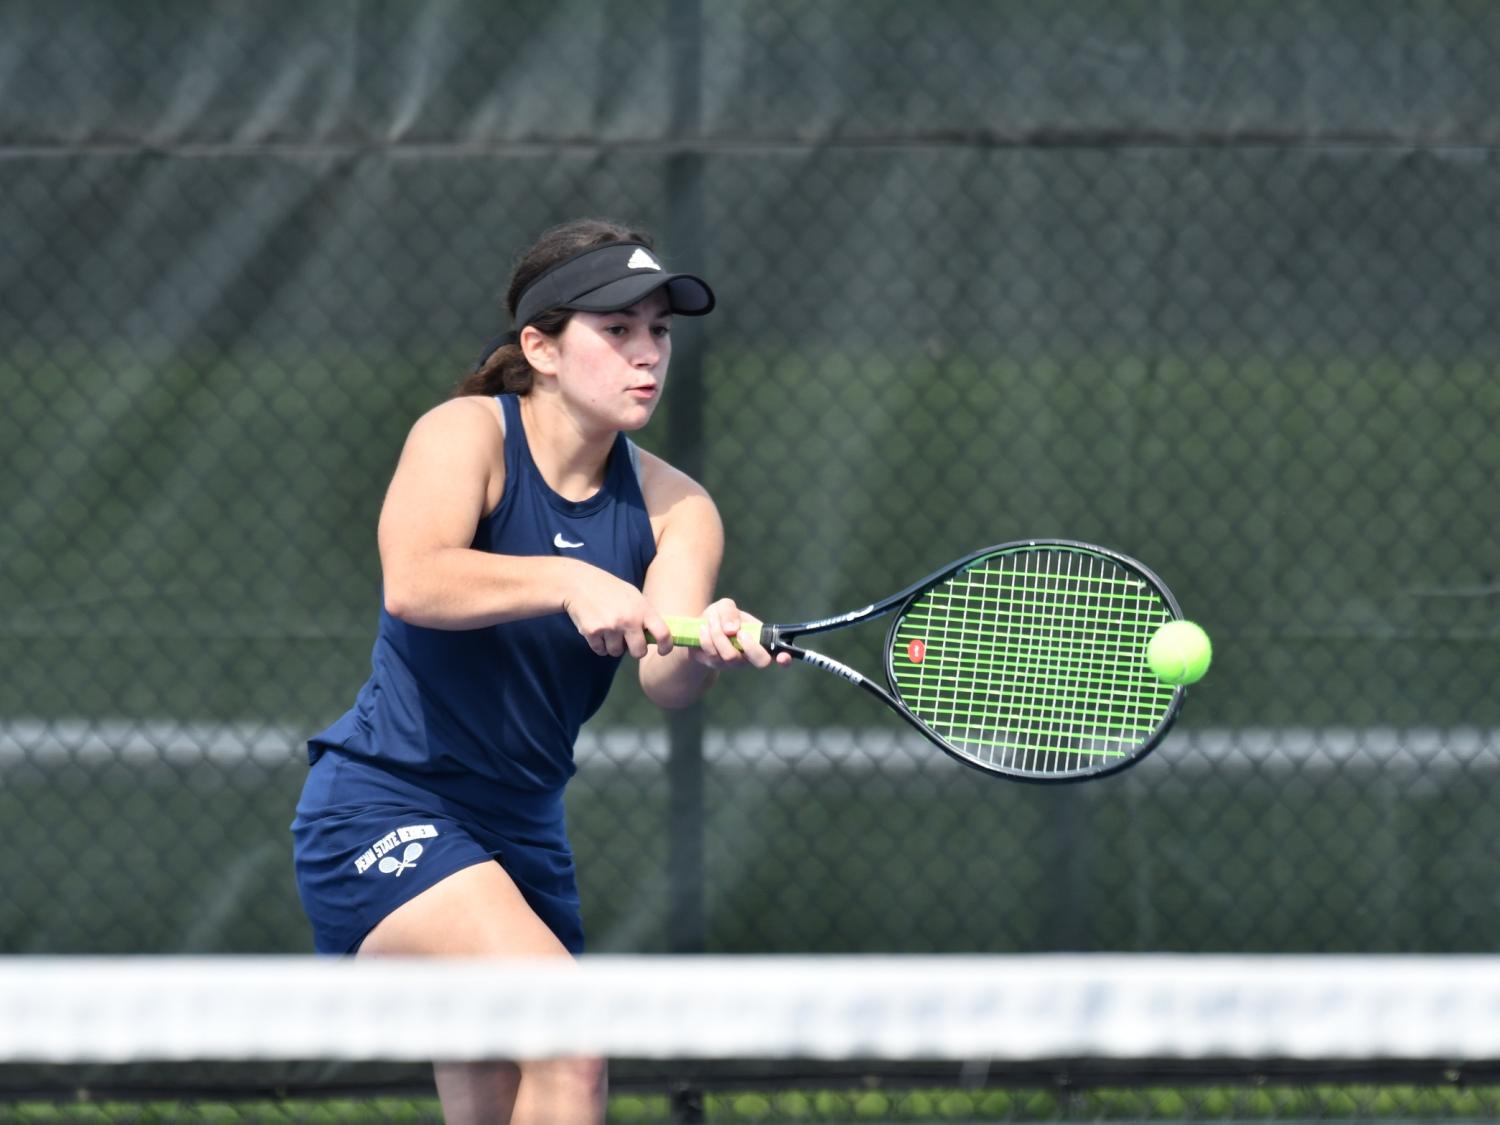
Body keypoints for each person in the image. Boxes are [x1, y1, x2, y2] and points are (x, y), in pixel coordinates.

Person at [291, 217, 787, 1125]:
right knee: (570, 1033)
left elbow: (664, 680)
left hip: (523, 837)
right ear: (540, 348)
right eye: (618, 330)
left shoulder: (680, 509)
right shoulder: (463, 436)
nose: (647, 355)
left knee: (500, 1099)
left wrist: (704, 642)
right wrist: (566, 578)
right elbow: (415, 580)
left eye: (659, 332)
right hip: (385, 804)